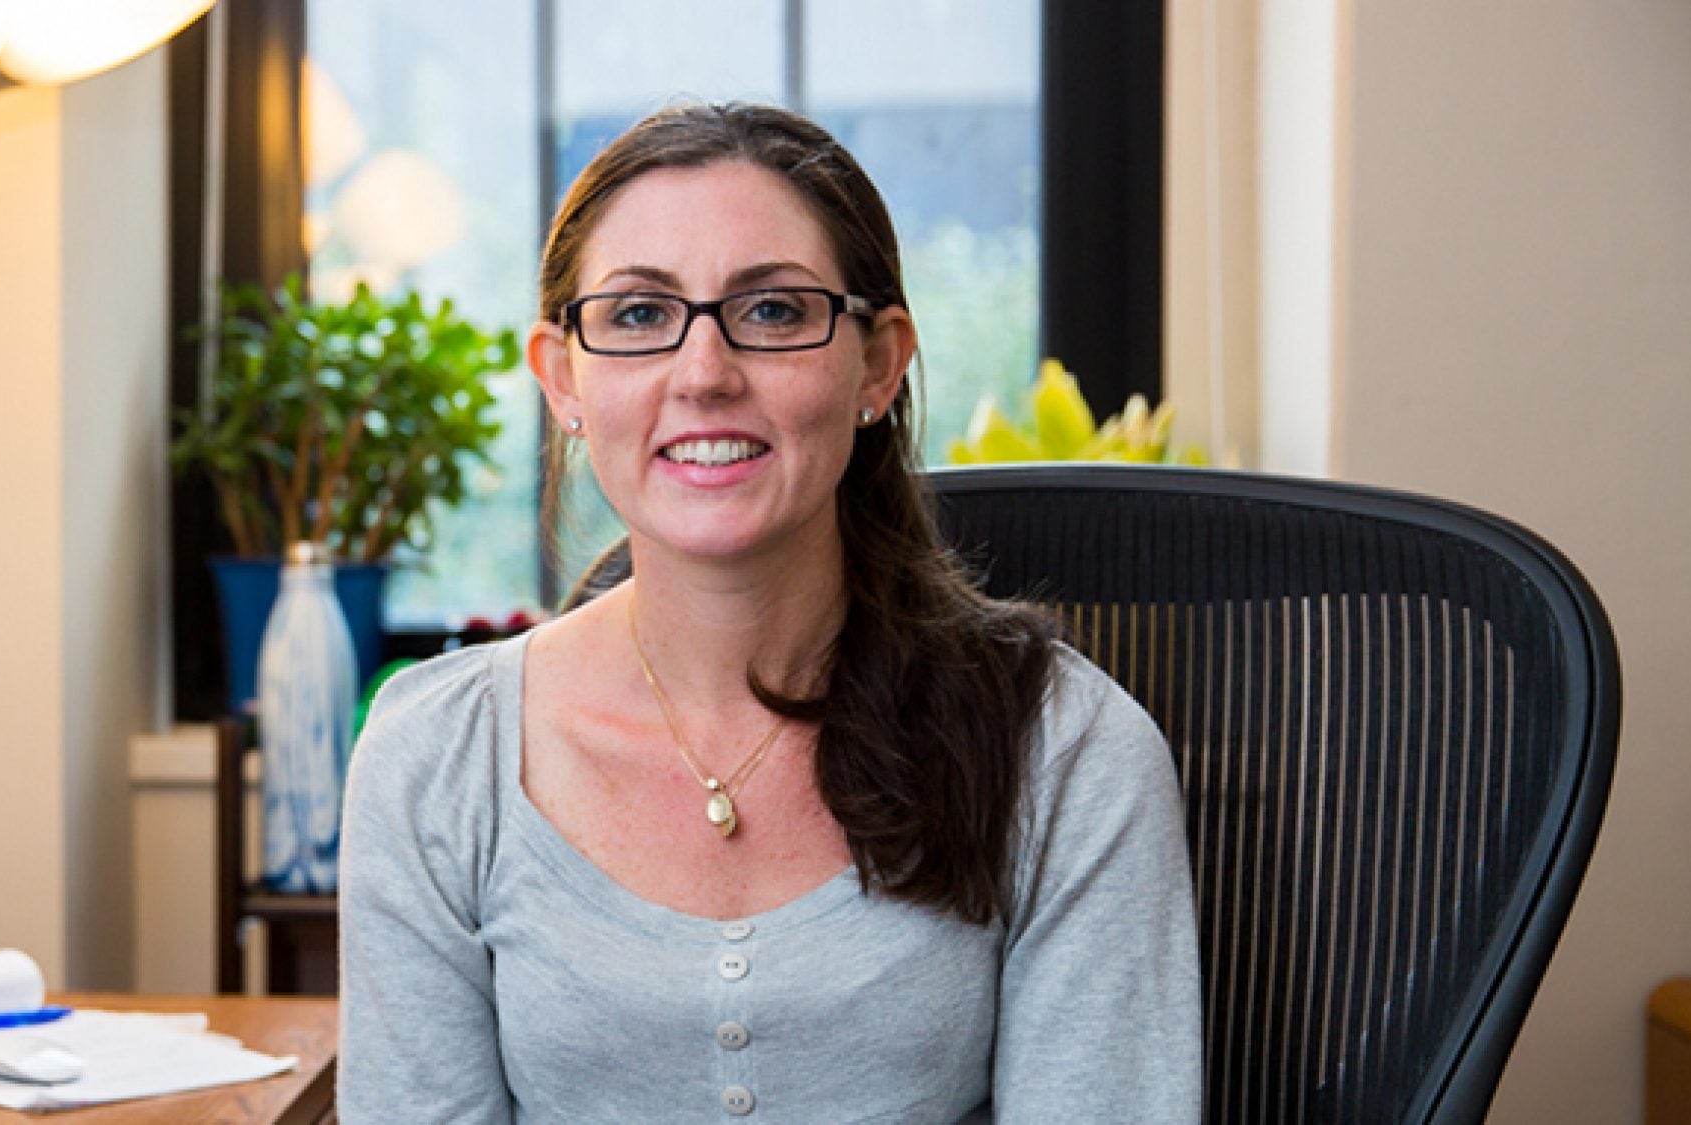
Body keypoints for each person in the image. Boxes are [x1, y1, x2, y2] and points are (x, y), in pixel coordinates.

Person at [339, 102, 1201, 1123]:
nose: (703, 374)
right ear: (561, 377)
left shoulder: (1062, 752)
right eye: (636, 315)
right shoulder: (436, 760)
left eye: (775, 312)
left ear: (877, 364)